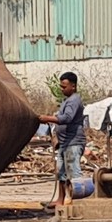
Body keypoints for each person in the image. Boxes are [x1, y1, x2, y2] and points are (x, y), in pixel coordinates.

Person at [38, 72, 86, 207]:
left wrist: (48, 118)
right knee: (61, 173)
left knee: (73, 172)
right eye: (61, 86)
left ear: (73, 86)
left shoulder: (74, 101)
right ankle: (60, 200)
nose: (62, 89)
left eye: (64, 87)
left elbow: (67, 118)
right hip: (64, 143)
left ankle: (76, 202)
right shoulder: (67, 101)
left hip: (73, 142)